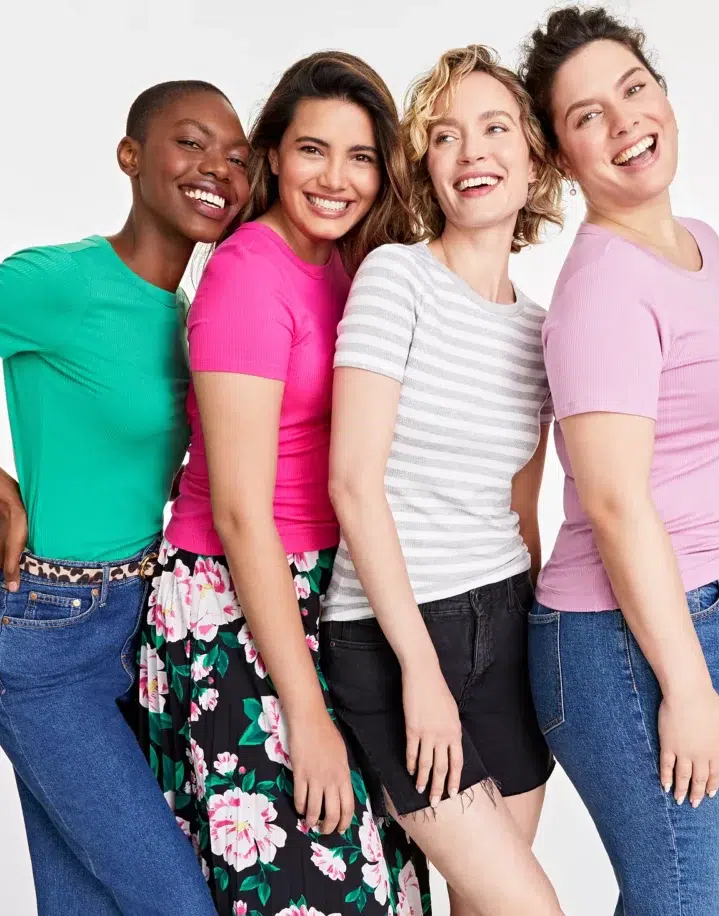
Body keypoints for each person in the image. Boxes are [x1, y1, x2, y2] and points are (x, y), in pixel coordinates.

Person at [138, 52, 430, 916]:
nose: (335, 179)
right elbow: (238, 511)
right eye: (313, 150)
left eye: (361, 156)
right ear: (272, 155)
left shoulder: (353, 267)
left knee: (387, 880)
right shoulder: (248, 273)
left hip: (326, 592)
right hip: (235, 602)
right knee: (306, 888)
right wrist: (302, 711)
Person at [320, 46, 564, 916]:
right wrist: (418, 669)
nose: (472, 154)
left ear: (534, 156)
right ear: (427, 162)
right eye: (446, 136)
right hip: (392, 635)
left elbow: (522, 502)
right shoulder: (396, 279)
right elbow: (352, 482)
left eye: (495, 128)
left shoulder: (541, 328)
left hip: (502, 622)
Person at [0, 80, 251, 915]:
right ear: (131, 156)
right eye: (190, 142)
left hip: (139, 628)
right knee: (174, 902)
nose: (216, 166)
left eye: (237, 156)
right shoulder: (61, 281)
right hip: (44, 633)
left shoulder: (189, 315)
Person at [519, 7, 719, 914]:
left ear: (662, 93)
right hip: (629, 640)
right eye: (586, 117)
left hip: (709, 603)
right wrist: (686, 687)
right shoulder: (606, 287)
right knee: (686, 898)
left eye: (633, 90)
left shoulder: (701, 242)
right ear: (563, 157)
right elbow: (615, 506)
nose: (623, 125)